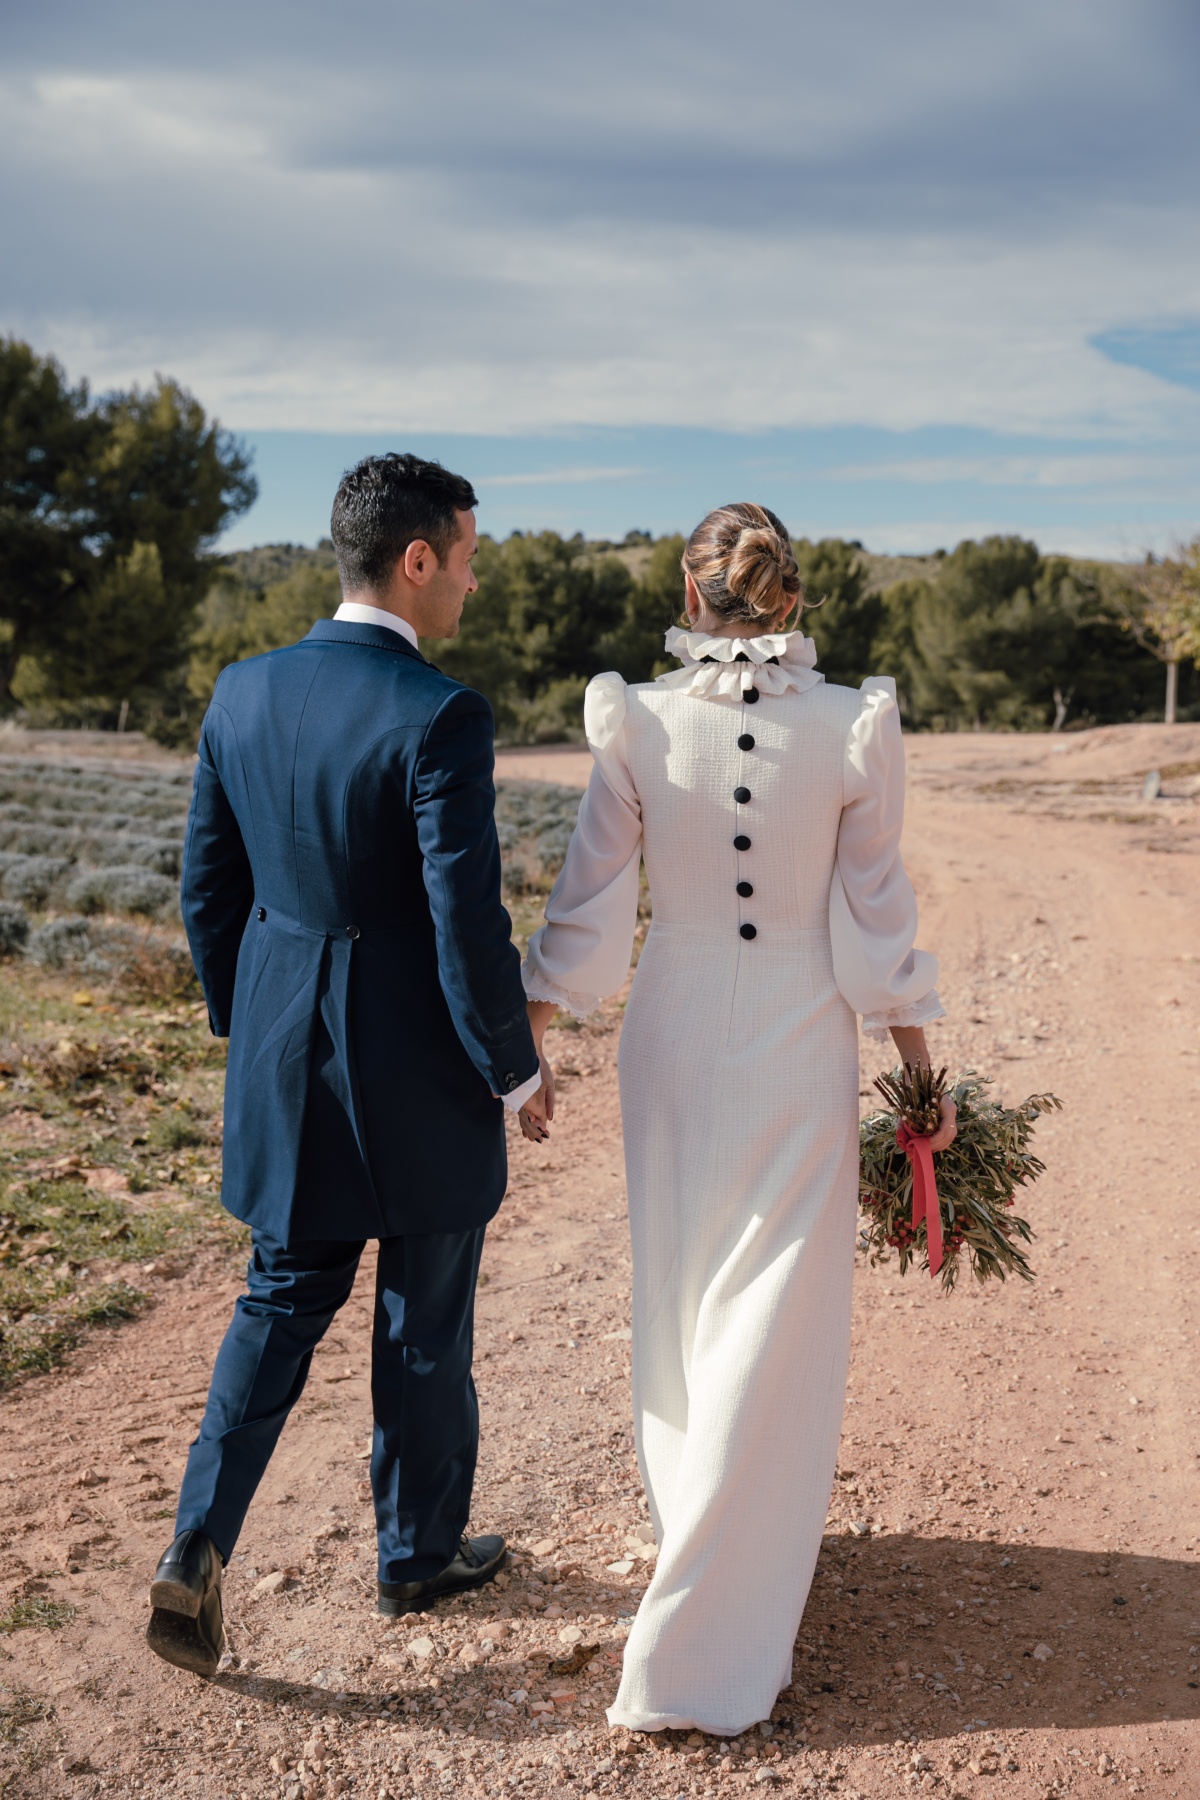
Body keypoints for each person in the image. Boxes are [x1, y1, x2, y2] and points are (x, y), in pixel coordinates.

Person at [519, 503, 955, 1737]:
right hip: (797, 1033)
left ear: (688, 587)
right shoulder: (857, 725)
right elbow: (879, 921)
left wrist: (530, 1042)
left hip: (670, 1033)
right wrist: (924, 1077)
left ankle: (692, 1559)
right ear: (790, 599)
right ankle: (724, 1617)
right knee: (778, 1314)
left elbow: (590, 910)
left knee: (682, 1298)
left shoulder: (634, 717)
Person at [146, 454, 551, 1677]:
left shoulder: (243, 691)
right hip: (416, 1071)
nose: (474, 583)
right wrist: (515, 1068)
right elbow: (462, 919)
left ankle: (196, 1545)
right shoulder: (441, 714)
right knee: (423, 1319)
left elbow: (205, 889)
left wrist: (253, 1024)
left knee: (278, 1300)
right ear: (416, 560)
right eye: (468, 558)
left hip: (284, 1054)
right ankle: (416, 1556)